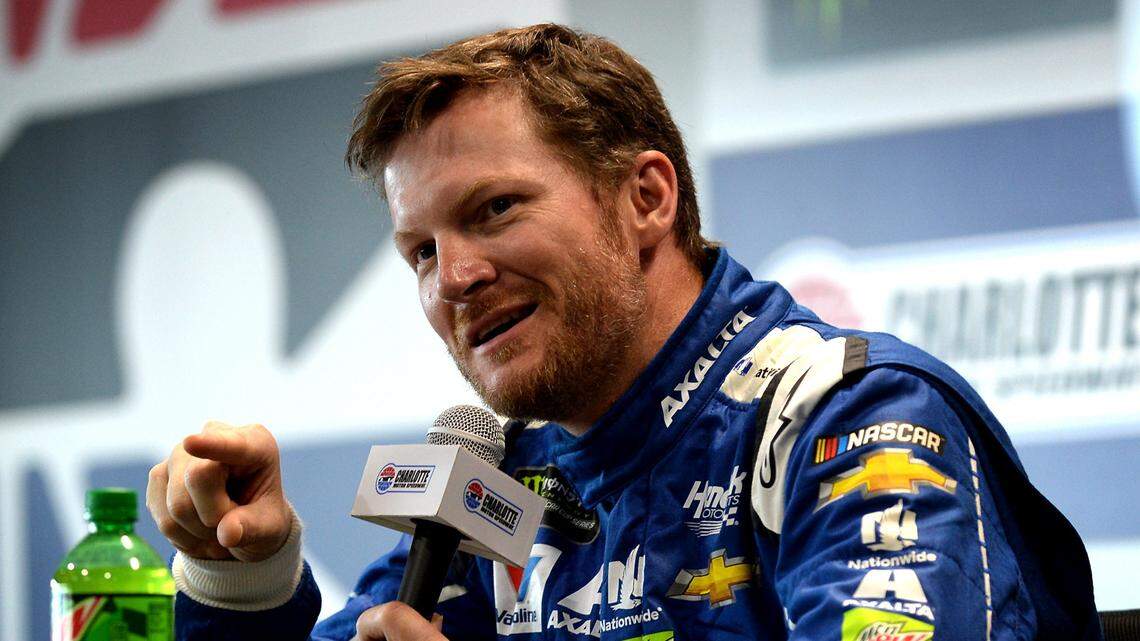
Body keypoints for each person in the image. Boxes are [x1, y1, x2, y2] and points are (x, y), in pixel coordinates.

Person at [146, 23, 1104, 641]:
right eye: (422, 252)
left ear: (646, 198)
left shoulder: (850, 420)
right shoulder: (497, 483)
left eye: (494, 209)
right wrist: (244, 571)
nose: (456, 278)